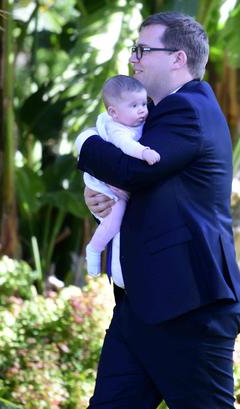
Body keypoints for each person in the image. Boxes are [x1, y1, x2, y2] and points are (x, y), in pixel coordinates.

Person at [76, 12, 240, 409]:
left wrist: (85, 142)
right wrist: (103, 202)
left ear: (177, 58)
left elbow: (136, 172)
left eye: (141, 50)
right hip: (140, 308)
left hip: (188, 306)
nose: (133, 59)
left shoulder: (186, 107)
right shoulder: (159, 115)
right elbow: (147, 193)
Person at [77, 75, 160, 277]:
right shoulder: (117, 128)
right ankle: (95, 249)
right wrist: (144, 152)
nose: (142, 109)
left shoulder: (137, 121)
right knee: (115, 218)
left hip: (117, 181)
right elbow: (126, 146)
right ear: (113, 112)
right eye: (134, 106)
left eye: (143, 103)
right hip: (107, 185)